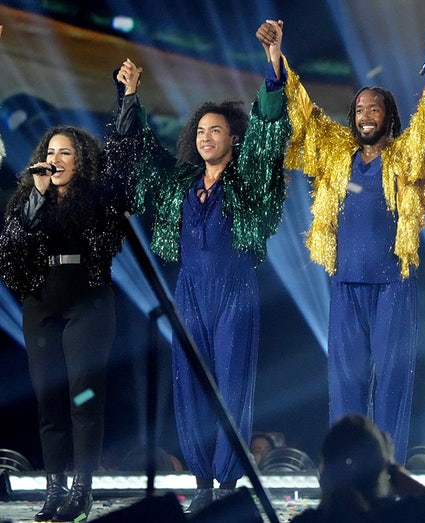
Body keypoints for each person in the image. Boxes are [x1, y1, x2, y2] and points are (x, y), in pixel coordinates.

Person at [108, 23, 290, 512]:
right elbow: (142, 153)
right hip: (188, 292)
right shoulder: (180, 181)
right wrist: (130, 97)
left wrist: (274, 64)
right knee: (189, 388)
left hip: (234, 290)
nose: (207, 137)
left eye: (217, 130)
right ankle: (204, 481)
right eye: (201, 131)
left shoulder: (250, 176)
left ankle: (229, 482)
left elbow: (272, 132)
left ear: (233, 137)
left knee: (230, 386)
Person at [255, 18, 425, 464]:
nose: (365, 115)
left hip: (393, 285)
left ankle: (388, 469)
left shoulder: (404, 153)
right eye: (360, 109)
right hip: (345, 284)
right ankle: (346, 468)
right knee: (345, 383)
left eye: (374, 109)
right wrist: (276, 58)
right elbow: (303, 114)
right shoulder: (336, 152)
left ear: (388, 117)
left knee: (393, 381)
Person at [0, 125, 132, 521]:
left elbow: (123, 162)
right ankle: (54, 489)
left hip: (87, 304)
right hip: (42, 305)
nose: (55, 160)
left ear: (81, 161)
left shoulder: (97, 199)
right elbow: (14, 243)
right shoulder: (28, 199)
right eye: (51, 152)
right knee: (48, 401)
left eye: (65, 154)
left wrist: (126, 100)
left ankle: (82, 489)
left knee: (83, 399)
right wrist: (38, 194)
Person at [291, 414, 425, 523]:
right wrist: (391, 466)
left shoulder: (307, 521)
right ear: (381, 466)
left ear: (324, 470)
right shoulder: (402, 516)